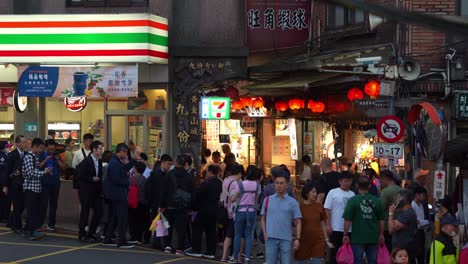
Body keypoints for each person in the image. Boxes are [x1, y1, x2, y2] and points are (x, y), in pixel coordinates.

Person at [261, 171, 301, 264]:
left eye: (281, 183)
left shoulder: (293, 202)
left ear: (287, 185)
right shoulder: (267, 200)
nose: (279, 185)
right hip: (270, 238)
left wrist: (297, 239)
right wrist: (265, 234)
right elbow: (263, 218)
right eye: (277, 183)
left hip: (286, 239)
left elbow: (298, 221)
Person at [343, 176, 385, 264]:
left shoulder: (352, 201)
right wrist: (381, 234)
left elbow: (347, 220)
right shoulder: (377, 201)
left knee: (358, 260)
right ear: (369, 186)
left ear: (357, 186)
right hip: (373, 237)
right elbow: (381, 219)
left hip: (357, 237)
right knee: (372, 261)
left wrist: (345, 234)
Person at [185, 165, 222, 259]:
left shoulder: (206, 184)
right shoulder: (219, 183)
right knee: (211, 231)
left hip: (203, 210)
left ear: (209, 172)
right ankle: (211, 251)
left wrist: (193, 208)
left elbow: (197, 196)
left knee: (197, 229)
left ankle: (196, 249)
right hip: (214, 210)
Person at [159, 155, 193, 255]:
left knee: (168, 226)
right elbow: (192, 192)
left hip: (169, 205)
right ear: (185, 164)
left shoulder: (169, 174)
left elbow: (164, 191)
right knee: (181, 228)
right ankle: (180, 248)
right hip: (182, 206)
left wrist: (162, 205)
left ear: (176, 162)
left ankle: (168, 246)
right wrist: (190, 206)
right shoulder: (188, 176)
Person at [102, 143, 134, 248]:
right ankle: (121, 241)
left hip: (115, 194)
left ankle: (108, 238)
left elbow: (123, 170)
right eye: (125, 152)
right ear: (121, 151)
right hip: (118, 194)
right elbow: (117, 179)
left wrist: (132, 162)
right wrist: (127, 181)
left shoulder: (116, 162)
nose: (126, 155)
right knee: (122, 218)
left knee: (115, 217)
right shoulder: (115, 163)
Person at [229, 165, 261, 264]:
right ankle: (247, 257)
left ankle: (234, 256)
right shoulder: (257, 186)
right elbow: (256, 200)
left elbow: (233, 199)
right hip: (251, 211)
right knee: (248, 235)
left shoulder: (240, 184)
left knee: (238, 234)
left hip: (241, 211)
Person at [295, 183, 331, 264]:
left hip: (318, 240)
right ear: (307, 193)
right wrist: (297, 238)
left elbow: (322, 223)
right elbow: (296, 223)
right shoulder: (299, 207)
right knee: (301, 261)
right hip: (303, 240)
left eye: (316, 192)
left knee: (317, 261)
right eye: (313, 192)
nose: (315, 194)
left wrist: (326, 239)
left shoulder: (319, 206)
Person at [22, 138, 51, 240]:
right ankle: (30, 232)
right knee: (31, 211)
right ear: (35, 146)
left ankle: (29, 230)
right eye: (40, 148)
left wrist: (45, 166)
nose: (41, 150)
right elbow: (30, 173)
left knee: (33, 211)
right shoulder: (29, 157)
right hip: (30, 188)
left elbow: (36, 168)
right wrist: (44, 172)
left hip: (35, 188)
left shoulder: (35, 157)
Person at [323, 171, 355, 264]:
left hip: (349, 229)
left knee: (347, 255)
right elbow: (327, 209)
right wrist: (328, 224)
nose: (347, 183)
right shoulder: (333, 192)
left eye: (349, 181)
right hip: (335, 228)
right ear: (340, 181)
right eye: (345, 181)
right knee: (335, 254)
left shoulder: (352, 194)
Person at [77, 140, 103, 242]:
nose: (101, 151)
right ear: (94, 149)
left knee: (98, 211)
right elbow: (81, 176)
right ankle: (82, 234)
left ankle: (91, 233)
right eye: (100, 149)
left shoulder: (99, 161)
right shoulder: (86, 161)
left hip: (96, 191)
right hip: (86, 191)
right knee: (85, 212)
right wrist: (91, 178)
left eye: (102, 149)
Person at [144, 154, 172, 247]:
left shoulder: (164, 174)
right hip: (157, 204)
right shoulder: (156, 175)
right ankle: (157, 243)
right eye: (168, 164)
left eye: (170, 164)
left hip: (159, 204)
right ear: (162, 163)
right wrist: (156, 204)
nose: (169, 166)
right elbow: (154, 191)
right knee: (158, 223)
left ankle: (157, 243)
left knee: (159, 223)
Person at [39, 139, 65, 231]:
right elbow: (38, 166)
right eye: (49, 149)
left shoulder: (56, 155)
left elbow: (63, 167)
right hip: (44, 182)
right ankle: (40, 223)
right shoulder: (41, 154)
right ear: (46, 148)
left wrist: (57, 159)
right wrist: (47, 158)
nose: (51, 151)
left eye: (53, 149)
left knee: (54, 204)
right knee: (43, 204)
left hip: (55, 182)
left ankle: (51, 224)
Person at [220, 163, 243, 262]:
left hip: (225, 210)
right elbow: (236, 198)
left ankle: (225, 256)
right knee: (235, 234)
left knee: (228, 234)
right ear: (239, 173)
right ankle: (235, 256)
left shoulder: (225, 180)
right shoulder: (236, 184)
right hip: (234, 212)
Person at [6, 135, 28, 234]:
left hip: (24, 184)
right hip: (14, 184)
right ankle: (17, 226)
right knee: (17, 205)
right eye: (23, 142)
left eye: (25, 142)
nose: (25, 144)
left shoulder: (27, 154)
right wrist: (5, 185)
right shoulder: (11, 155)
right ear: (17, 143)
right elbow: (7, 172)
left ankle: (11, 221)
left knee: (23, 205)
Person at [388, 189, 418, 262]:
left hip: (403, 250)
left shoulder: (408, 214)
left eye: (398, 199)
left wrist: (391, 213)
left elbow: (391, 229)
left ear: (403, 200)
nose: (396, 201)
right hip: (401, 248)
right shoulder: (405, 212)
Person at [380, 169, 402, 251]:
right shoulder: (401, 189)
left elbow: (381, 209)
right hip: (400, 224)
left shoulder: (385, 192)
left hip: (387, 226)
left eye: (381, 179)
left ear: (384, 179)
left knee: (388, 249)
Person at [128, 161, 149, 244]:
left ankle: (133, 237)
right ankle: (139, 237)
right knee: (141, 220)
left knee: (132, 220)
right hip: (142, 203)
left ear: (135, 169)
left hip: (132, 202)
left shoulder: (130, 179)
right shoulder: (145, 180)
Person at [411, 185, 430, 264]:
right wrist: (426, 222)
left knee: (422, 251)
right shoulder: (413, 205)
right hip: (415, 232)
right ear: (416, 195)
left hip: (421, 231)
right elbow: (416, 221)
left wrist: (424, 222)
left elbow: (420, 220)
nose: (424, 197)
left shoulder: (421, 205)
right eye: (423, 195)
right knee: (418, 252)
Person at [0, 141, 9, 223]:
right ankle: (4, 217)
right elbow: (4, 172)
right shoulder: (4, 157)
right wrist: (5, 185)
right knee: (4, 201)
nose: (8, 148)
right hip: (2, 182)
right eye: (7, 147)